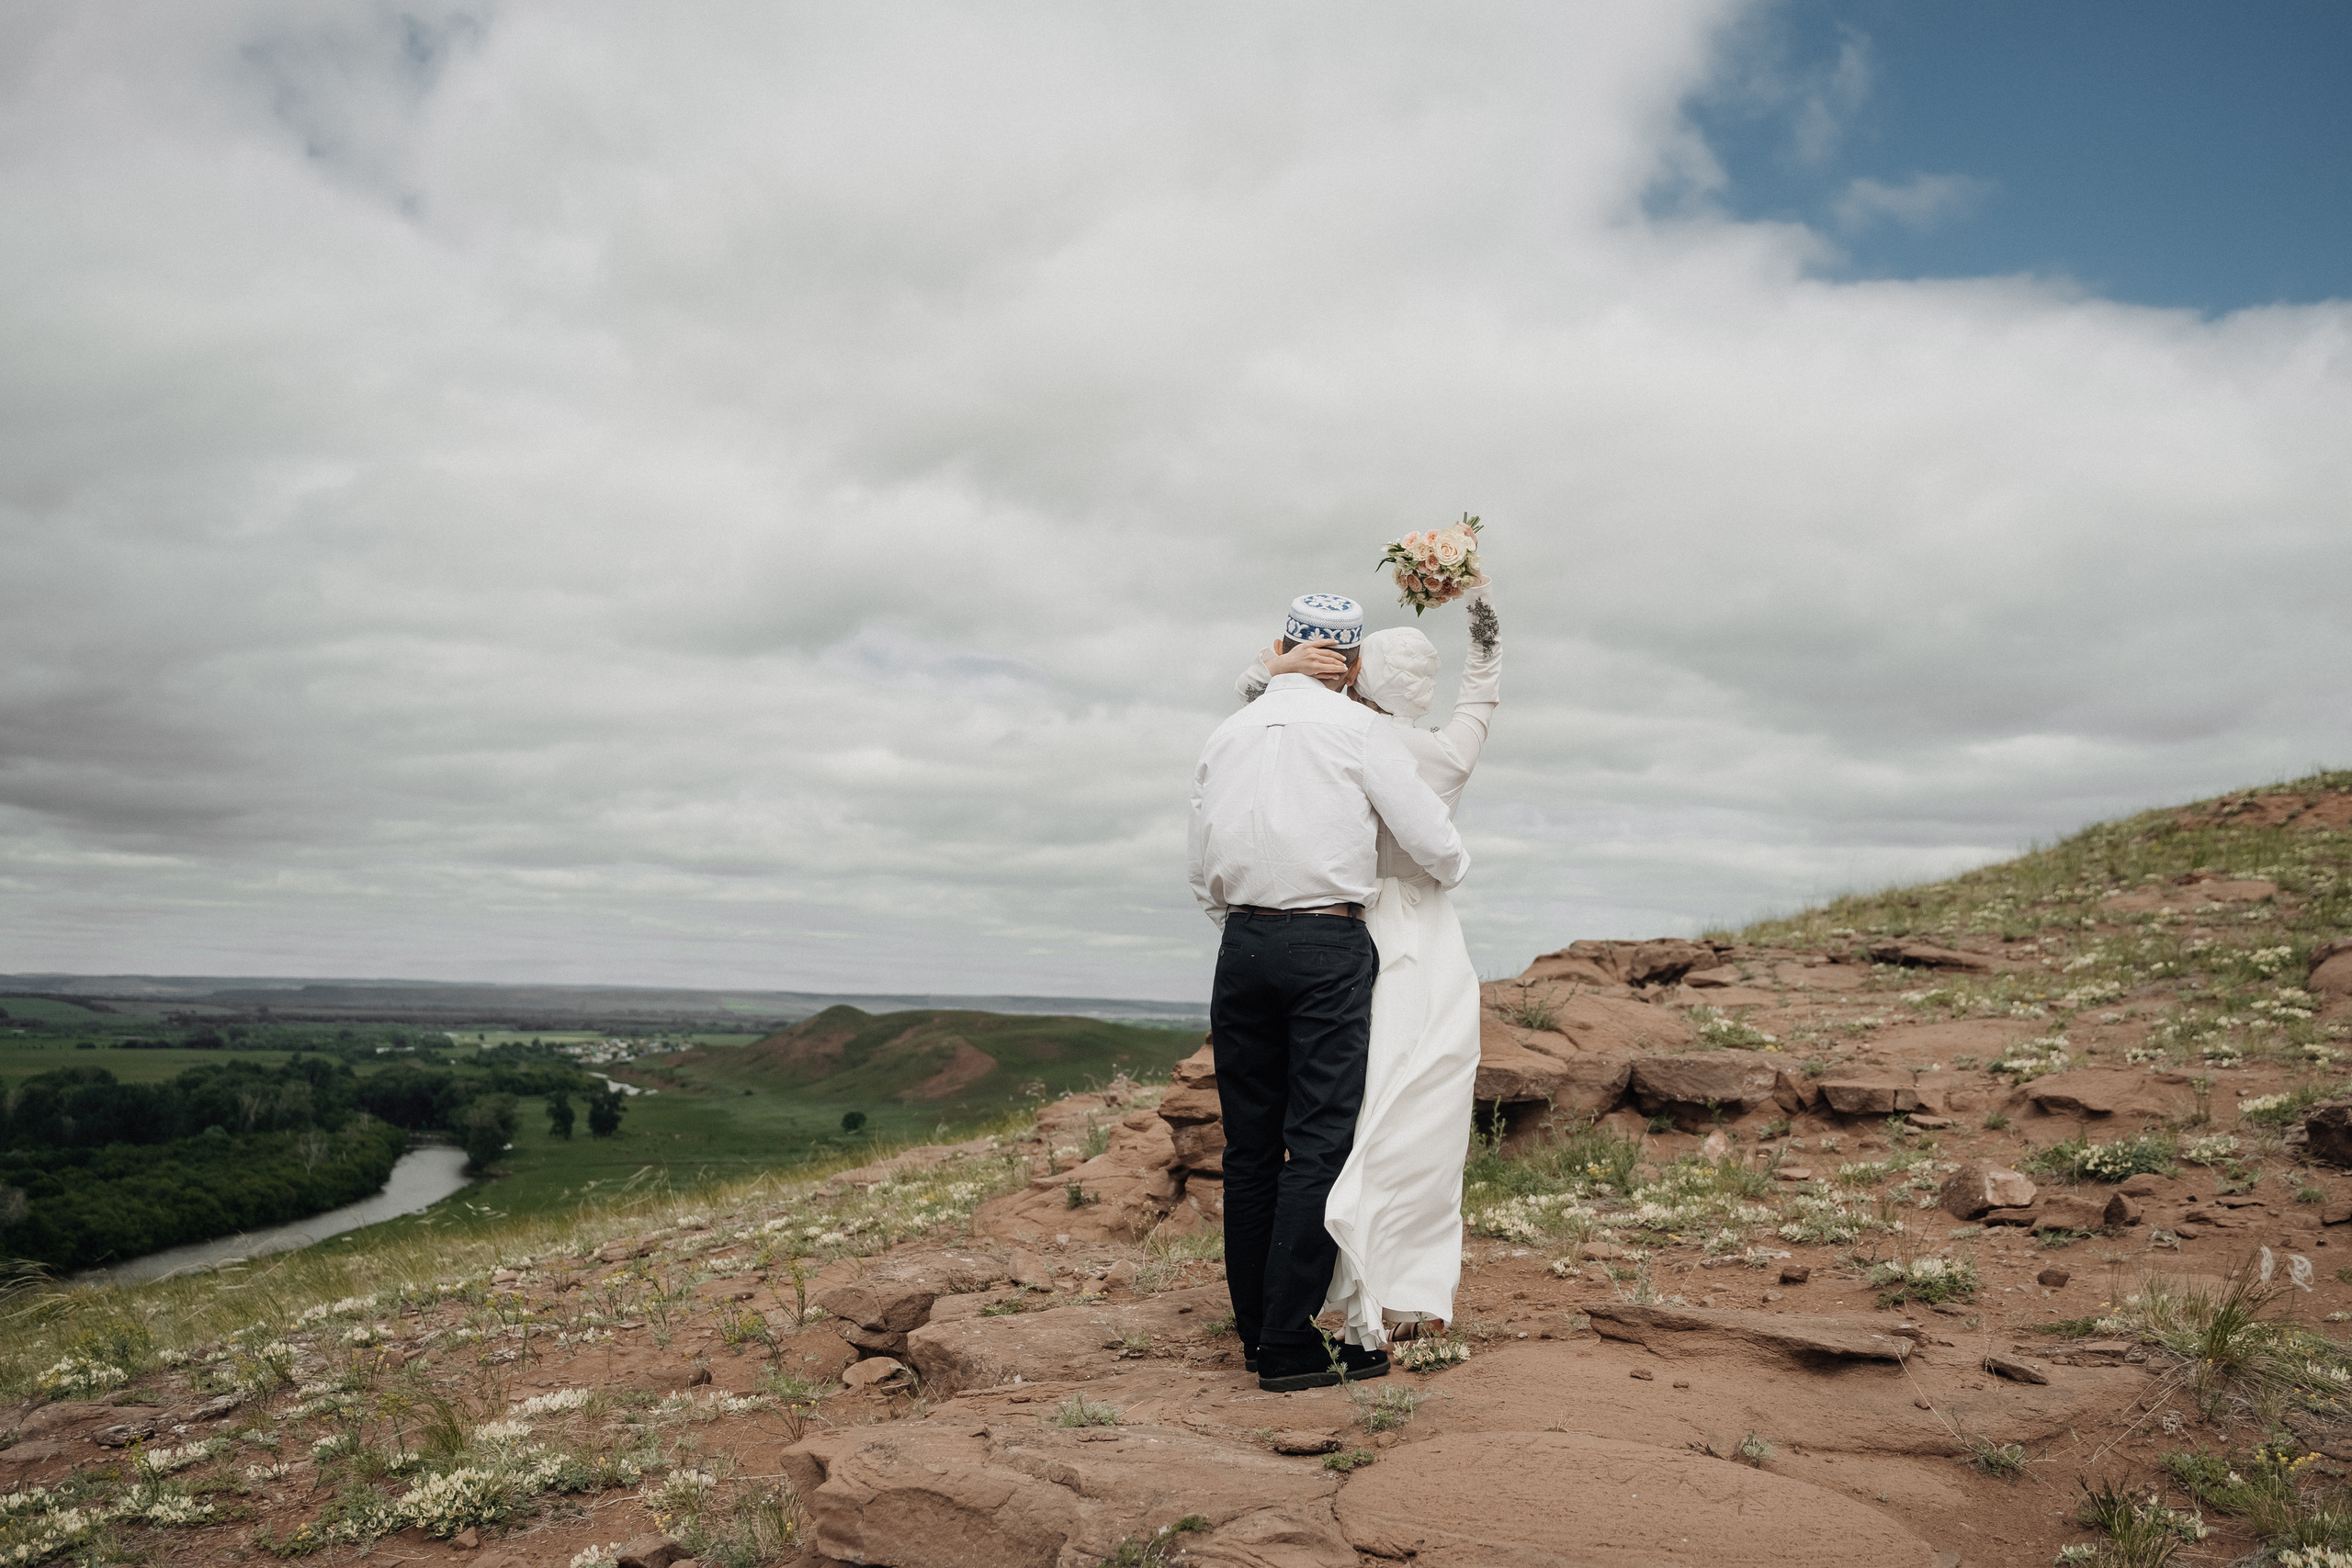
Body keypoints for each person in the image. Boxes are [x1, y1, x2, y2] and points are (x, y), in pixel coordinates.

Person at [1188, 592, 1471, 1392]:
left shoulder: (1227, 732)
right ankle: (1285, 1342)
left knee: (1248, 1146)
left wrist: (1246, 920)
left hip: (1240, 943)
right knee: (1318, 1141)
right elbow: (1436, 847)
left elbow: (1197, 859)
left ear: (1284, 646)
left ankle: (1254, 1332)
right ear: (1351, 667)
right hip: (1328, 941)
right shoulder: (1361, 729)